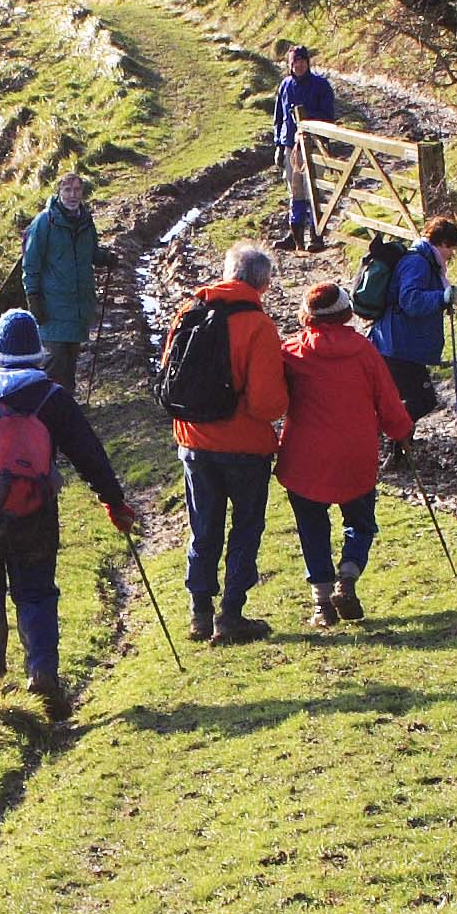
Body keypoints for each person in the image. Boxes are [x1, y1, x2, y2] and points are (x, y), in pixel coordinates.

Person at [0, 309, 139, 722]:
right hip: (36, 515)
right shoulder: (53, 398)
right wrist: (113, 500)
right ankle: (43, 673)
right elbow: (88, 453)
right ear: (36, 353)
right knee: (37, 595)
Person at [164, 240, 291, 643]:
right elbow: (267, 404)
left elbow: (169, 373)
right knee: (246, 527)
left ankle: (199, 612)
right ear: (263, 284)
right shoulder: (258, 326)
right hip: (244, 445)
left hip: (193, 441)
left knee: (203, 527)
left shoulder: (188, 312)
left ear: (227, 273)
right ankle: (231, 614)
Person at [278, 280, 414, 627]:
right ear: (346, 312)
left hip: (305, 459)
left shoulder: (291, 352)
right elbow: (387, 399)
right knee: (360, 522)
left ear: (307, 316)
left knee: (312, 526)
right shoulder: (364, 350)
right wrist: (401, 431)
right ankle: (348, 575)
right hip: (356, 455)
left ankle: (322, 604)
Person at [374, 215, 457, 463]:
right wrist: (441, 298)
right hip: (399, 346)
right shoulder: (418, 263)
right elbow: (410, 300)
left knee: (409, 399)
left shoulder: (425, 261)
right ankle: (392, 444)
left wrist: (442, 299)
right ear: (444, 243)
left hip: (399, 343)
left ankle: (399, 451)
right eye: (452, 250)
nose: (451, 256)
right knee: (422, 400)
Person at [19, 170, 102, 388]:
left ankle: (66, 408)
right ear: (59, 192)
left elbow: (91, 252)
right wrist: (33, 296)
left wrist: (106, 258)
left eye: (77, 190)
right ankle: (48, 411)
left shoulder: (86, 221)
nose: (72, 195)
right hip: (52, 307)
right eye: (67, 190)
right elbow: (30, 263)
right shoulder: (44, 223)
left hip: (78, 307)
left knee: (71, 360)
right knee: (53, 361)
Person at [271, 44, 337, 248]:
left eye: (302, 61)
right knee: (295, 190)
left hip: (314, 145)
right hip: (291, 146)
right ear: (290, 65)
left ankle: (316, 235)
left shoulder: (321, 86)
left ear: (308, 62)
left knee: (314, 189)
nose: (298, 65)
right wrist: (279, 145)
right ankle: (295, 234)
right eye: (294, 62)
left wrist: (307, 122)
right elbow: (279, 117)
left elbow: (328, 116)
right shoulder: (285, 86)